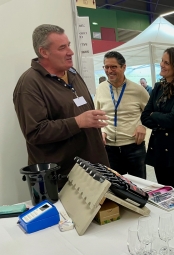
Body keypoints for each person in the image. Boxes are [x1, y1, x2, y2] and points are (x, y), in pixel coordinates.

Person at [13, 24, 109, 187]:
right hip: (63, 179)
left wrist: (96, 133)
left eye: (69, 45)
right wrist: (77, 122)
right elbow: (36, 132)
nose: (70, 52)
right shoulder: (29, 84)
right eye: (62, 48)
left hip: (94, 170)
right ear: (44, 52)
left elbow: (82, 109)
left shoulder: (72, 73)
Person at [141, 47, 174, 191]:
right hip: (159, 150)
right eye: (162, 61)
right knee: (163, 193)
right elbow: (145, 117)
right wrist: (159, 118)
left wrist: (155, 115)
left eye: (167, 63)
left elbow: (173, 119)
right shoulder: (159, 87)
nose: (162, 65)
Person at [95, 51, 149, 179]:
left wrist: (142, 125)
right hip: (109, 150)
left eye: (113, 67)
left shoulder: (138, 90)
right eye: (106, 67)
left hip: (134, 147)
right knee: (115, 189)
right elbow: (97, 115)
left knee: (139, 188)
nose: (109, 70)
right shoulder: (101, 88)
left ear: (123, 67)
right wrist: (101, 130)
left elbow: (150, 114)